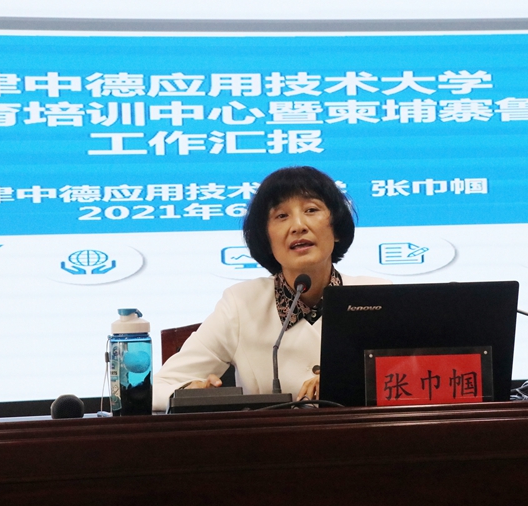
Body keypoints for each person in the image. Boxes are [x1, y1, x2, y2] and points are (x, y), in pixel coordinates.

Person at [152, 166, 388, 411]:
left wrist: (344, 382)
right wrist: (189, 392)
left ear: (337, 229)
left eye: (311, 210)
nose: (298, 226)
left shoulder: (376, 296)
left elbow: (411, 375)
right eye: (281, 216)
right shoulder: (241, 304)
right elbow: (159, 387)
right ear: (266, 239)